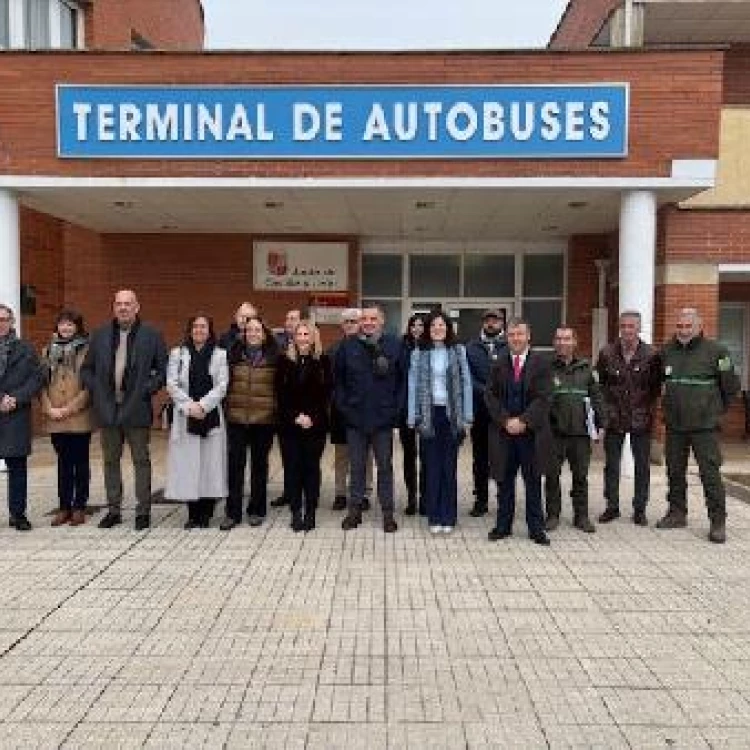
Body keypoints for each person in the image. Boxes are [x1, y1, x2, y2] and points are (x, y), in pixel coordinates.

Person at [81, 290, 167, 531]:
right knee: (110, 461)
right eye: (119, 304)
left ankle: (143, 510)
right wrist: (97, 389)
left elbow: (163, 369)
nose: (123, 308)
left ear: (137, 307)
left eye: (128, 304)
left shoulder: (152, 335)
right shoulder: (100, 335)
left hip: (136, 409)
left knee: (141, 460)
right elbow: (86, 370)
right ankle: (114, 510)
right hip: (108, 409)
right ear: (113, 308)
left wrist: (145, 390)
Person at [657, 308, 739, 543]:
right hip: (675, 424)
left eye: (688, 327)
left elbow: (730, 387)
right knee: (674, 471)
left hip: (704, 426)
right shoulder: (666, 351)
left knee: (709, 473)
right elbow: (660, 381)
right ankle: (676, 513)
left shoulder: (717, 352)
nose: (683, 331)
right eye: (680, 326)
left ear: (699, 327)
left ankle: (717, 521)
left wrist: (715, 412)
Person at [335, 304, 404, 533]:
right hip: (355, 419)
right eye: (364, 319)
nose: (368, 322)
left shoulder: (395, 344)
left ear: (382, 320)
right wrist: (345, 408)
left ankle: (387, 514)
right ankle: (354, 512)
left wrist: (395, 411)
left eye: (373, 318)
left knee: (385, 466)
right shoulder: (348, 346)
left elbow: (402, 380)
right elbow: (339, 382)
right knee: (356, 467)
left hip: (383, 420)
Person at [486, 317, 552, 546]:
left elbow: (544, 397)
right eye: (512, 334)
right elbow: (490, 395)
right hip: (503, 433)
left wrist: (523, 421)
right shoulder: (498, 363)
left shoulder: (542, 363)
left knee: (533, 481)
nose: (515, 338)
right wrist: (505, 421)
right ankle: (503, 526)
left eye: (520, 334)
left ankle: (536, 528)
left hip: (531, 433)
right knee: (504, 481)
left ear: (528, 336)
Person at [407, 310, 473, 534]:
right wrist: (411, 416)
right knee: (432, 467)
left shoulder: (458, 351)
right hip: (428, 415)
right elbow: (412, 385)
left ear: (448, 329)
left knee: (449, 466)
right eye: (433, 325)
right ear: (428, 329)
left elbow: (466, 384)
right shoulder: (419, 353)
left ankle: (449, 516)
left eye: (442, 325)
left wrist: (467, 416)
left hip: (451, 415)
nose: (437, 328)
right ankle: (434, 515)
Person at [596, 310, 662, 526]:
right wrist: (605, 413)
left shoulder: (652, 355)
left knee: (642, 465)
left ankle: (640, 509)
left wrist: (646, 409)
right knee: (611, 465)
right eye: (623, 326)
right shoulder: (606, 353)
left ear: (639, 328)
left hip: (640, 418)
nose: (626, 330)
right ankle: (612, 506)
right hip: (614, 418)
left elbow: (654, 388)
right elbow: (602, 385)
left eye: (631, 326)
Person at [164, 315, 228, 529]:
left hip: (210, 415)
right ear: (189, 330)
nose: (199, 330)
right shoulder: (178, 354)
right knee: (189, 466)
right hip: (186, 416)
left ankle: (206, 514)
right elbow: (172, 384)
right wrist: (189, 406)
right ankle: (192, 514)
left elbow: (222, 385)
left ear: (210, 330)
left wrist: (203, 405)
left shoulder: (220, 355)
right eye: (195, 326)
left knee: (209, 465)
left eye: (203, 326)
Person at [221, 317, 279, 530]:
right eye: (249, 330)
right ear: (244, 334)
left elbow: (279, 390)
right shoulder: (233, 356)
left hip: (263, 421)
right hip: (236, 419)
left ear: (264, 334)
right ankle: (232, 513)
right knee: (235, 468)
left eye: (257, 330)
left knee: (259, 467)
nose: (253, 333)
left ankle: (256, 510)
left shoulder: (274, 358)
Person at [544, 325, 603, 534]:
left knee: (580, 477)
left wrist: (600, 425)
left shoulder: (586, 368)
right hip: (554, 433)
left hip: (580, 434)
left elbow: (597, 397)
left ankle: (581, 516)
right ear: (554, 342)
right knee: (552, 476)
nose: (562, 343)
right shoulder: (546, 368)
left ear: (575, 342)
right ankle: (552, 515)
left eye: (567, 339)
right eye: (559, 339)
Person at [275, 320, 332, 531]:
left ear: (313, 337)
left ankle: (311, 511)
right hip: (289, 426)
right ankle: (295, 511)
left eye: (306, 334)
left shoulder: (323, 361)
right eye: (299, 334)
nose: (302, 338)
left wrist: (312, 418)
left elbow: (326, 395)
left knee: (311, 469)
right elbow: (280, 395)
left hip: (315, 427)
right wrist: (295, 417)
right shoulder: (284, 361)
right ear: (294, 338)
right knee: (292, 469)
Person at [41, 309, 93, 527]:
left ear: (78, 327)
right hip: (55, 417)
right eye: (62, 324)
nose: (66, 328)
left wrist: (69, 409)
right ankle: (64, 507)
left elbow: (90, 387)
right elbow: (40, 384)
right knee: (63, 463)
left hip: (78, 416)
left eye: (70, 324)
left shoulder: (87, 351)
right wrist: (48, 408)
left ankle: (79, 506)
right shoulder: (46, 351)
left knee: (80, 462)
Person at [0, 304, 43, 531]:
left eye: (5, 319)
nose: (2, 323)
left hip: (16, 414)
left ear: (12, 322)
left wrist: (15, 398)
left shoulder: (25, 349)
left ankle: (18, 514)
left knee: (17, 467)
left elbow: (36, 379)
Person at [328, 308, 373, 511]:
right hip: (340, 410)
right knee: (342, 454)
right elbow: (330, 381)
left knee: (365, 454)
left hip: (364, 410)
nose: (349, 325)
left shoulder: (370, 346)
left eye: (353, 321)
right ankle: (340, 493)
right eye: (346, 322)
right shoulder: (334, 349)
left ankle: (365, 492)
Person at [466, 308, 507, 517]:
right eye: (488, 320)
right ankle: (480, 500)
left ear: (502, 323)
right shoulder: (471, 347)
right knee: (480, 458)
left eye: (496, 320)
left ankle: (503, 498)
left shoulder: (509, 345)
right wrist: (486, 392)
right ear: (483, 323)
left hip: (503, 412)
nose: (491, 323)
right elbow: (467, 376)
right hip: (480, 410)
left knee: (501, 457)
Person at [270, 306, 306, 509]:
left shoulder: (310, 343)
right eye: (287, 318)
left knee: (304, 454)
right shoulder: (278, 344)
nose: (289, 322)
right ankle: (289, 491)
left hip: (305, 409)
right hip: (284, 409)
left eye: (294, 319)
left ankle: (304, 491)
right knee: (287, 453)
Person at [399, 314, 426, 515]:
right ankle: (411, 498)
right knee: (409, 455)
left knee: (426, 455)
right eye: (413, 325)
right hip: (405, 409)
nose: (416, 328)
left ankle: (425, 498)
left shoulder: (431, 347)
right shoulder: (402, 347)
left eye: (420, 325)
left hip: (427, 409)